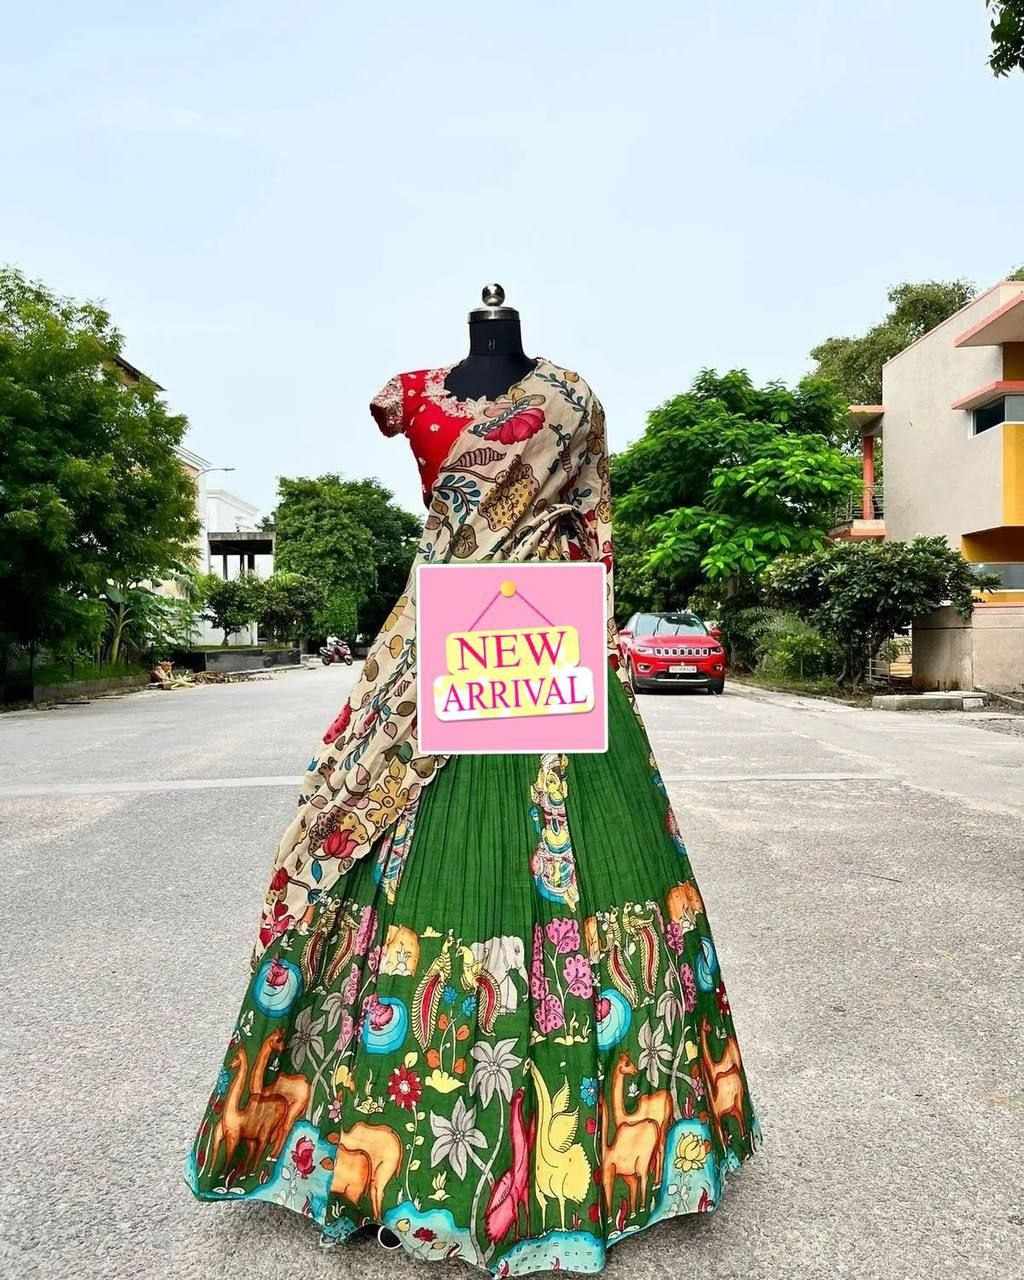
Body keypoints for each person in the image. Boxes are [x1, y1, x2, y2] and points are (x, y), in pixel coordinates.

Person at [186, 357, 759, 1275]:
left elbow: (593, 528)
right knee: (399, 860)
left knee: (593, 861)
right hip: (446, 648)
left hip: (555, 650)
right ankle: (381, 1146)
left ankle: (606, 1150)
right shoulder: (412, 393)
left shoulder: (572, 399)